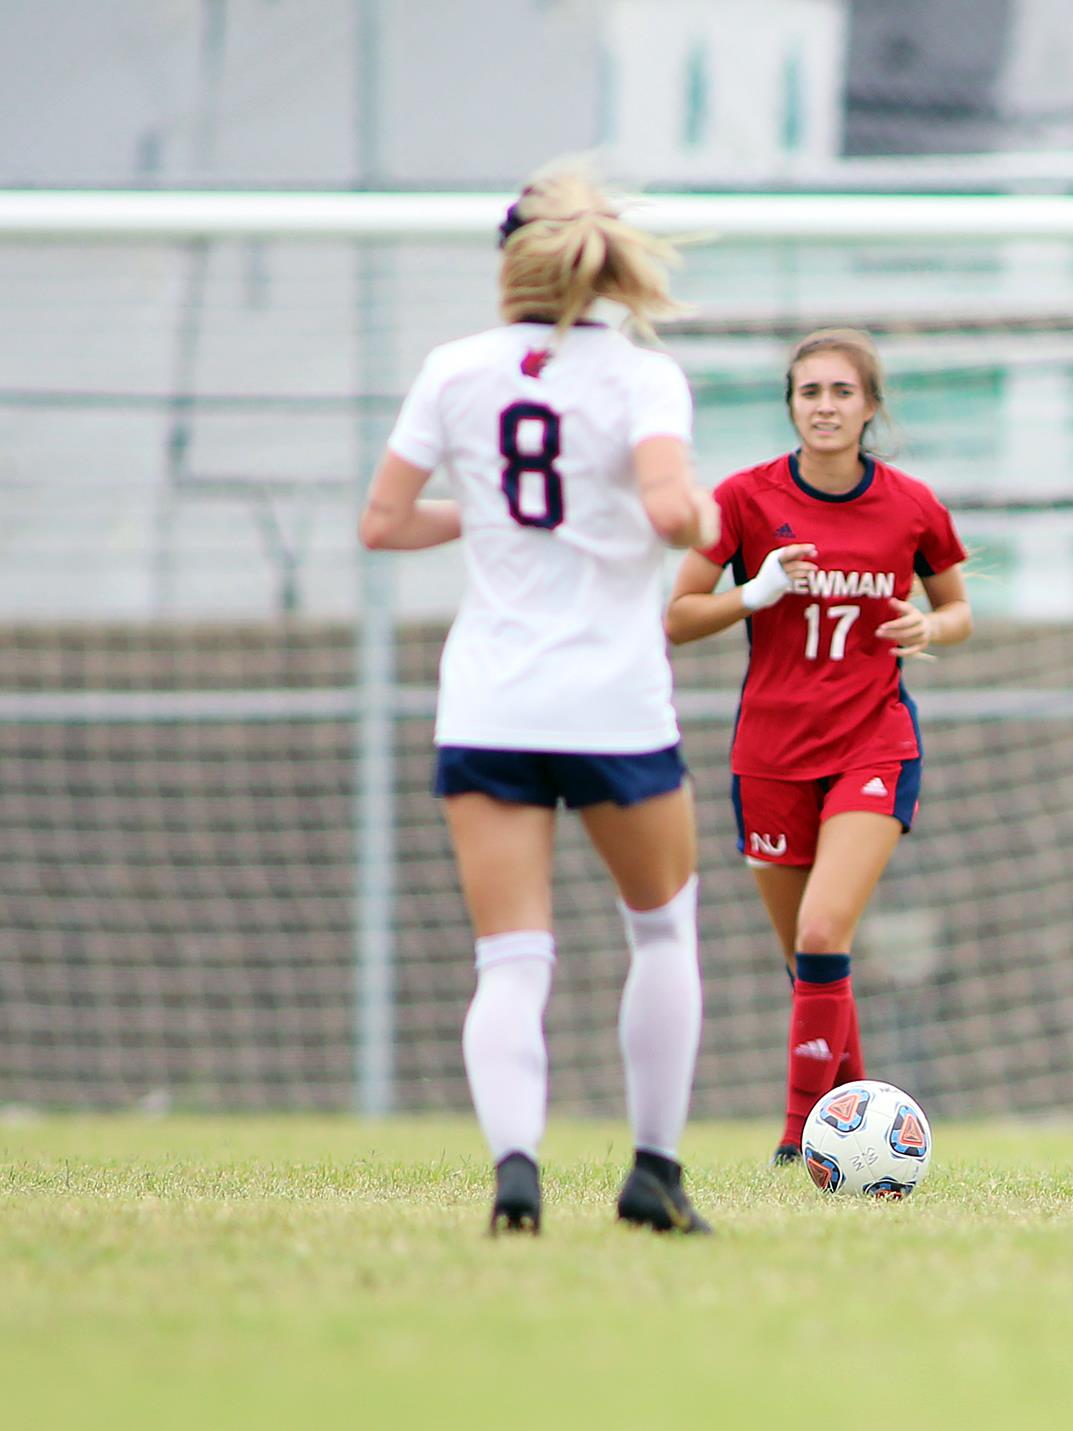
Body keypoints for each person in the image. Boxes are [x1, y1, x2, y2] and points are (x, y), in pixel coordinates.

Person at [358, 167, 722, 1235]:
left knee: (511, 958)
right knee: (661, 934)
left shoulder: (453, 371)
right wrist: (699, 511)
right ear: (606, 267)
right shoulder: (642, 378)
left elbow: (381, 522)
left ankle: (515, 1169)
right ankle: (653, 1173)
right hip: (610, 704)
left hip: (490, 703)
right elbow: (666, 512)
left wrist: (489, 514)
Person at [666, 328, 970, 1164]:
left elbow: (958, 609)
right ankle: (866, 1135)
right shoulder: (744, 499)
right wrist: (753, 593)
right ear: (792, 405)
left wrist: (929, 624)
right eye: (811, 392)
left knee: (826, 930)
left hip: (874, 740)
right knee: (809, 965)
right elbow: (677, 615)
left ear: (870, 406)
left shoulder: (910, 504)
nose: (826, 406)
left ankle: (799, 1138)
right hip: (768, 754)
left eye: (843, 391)